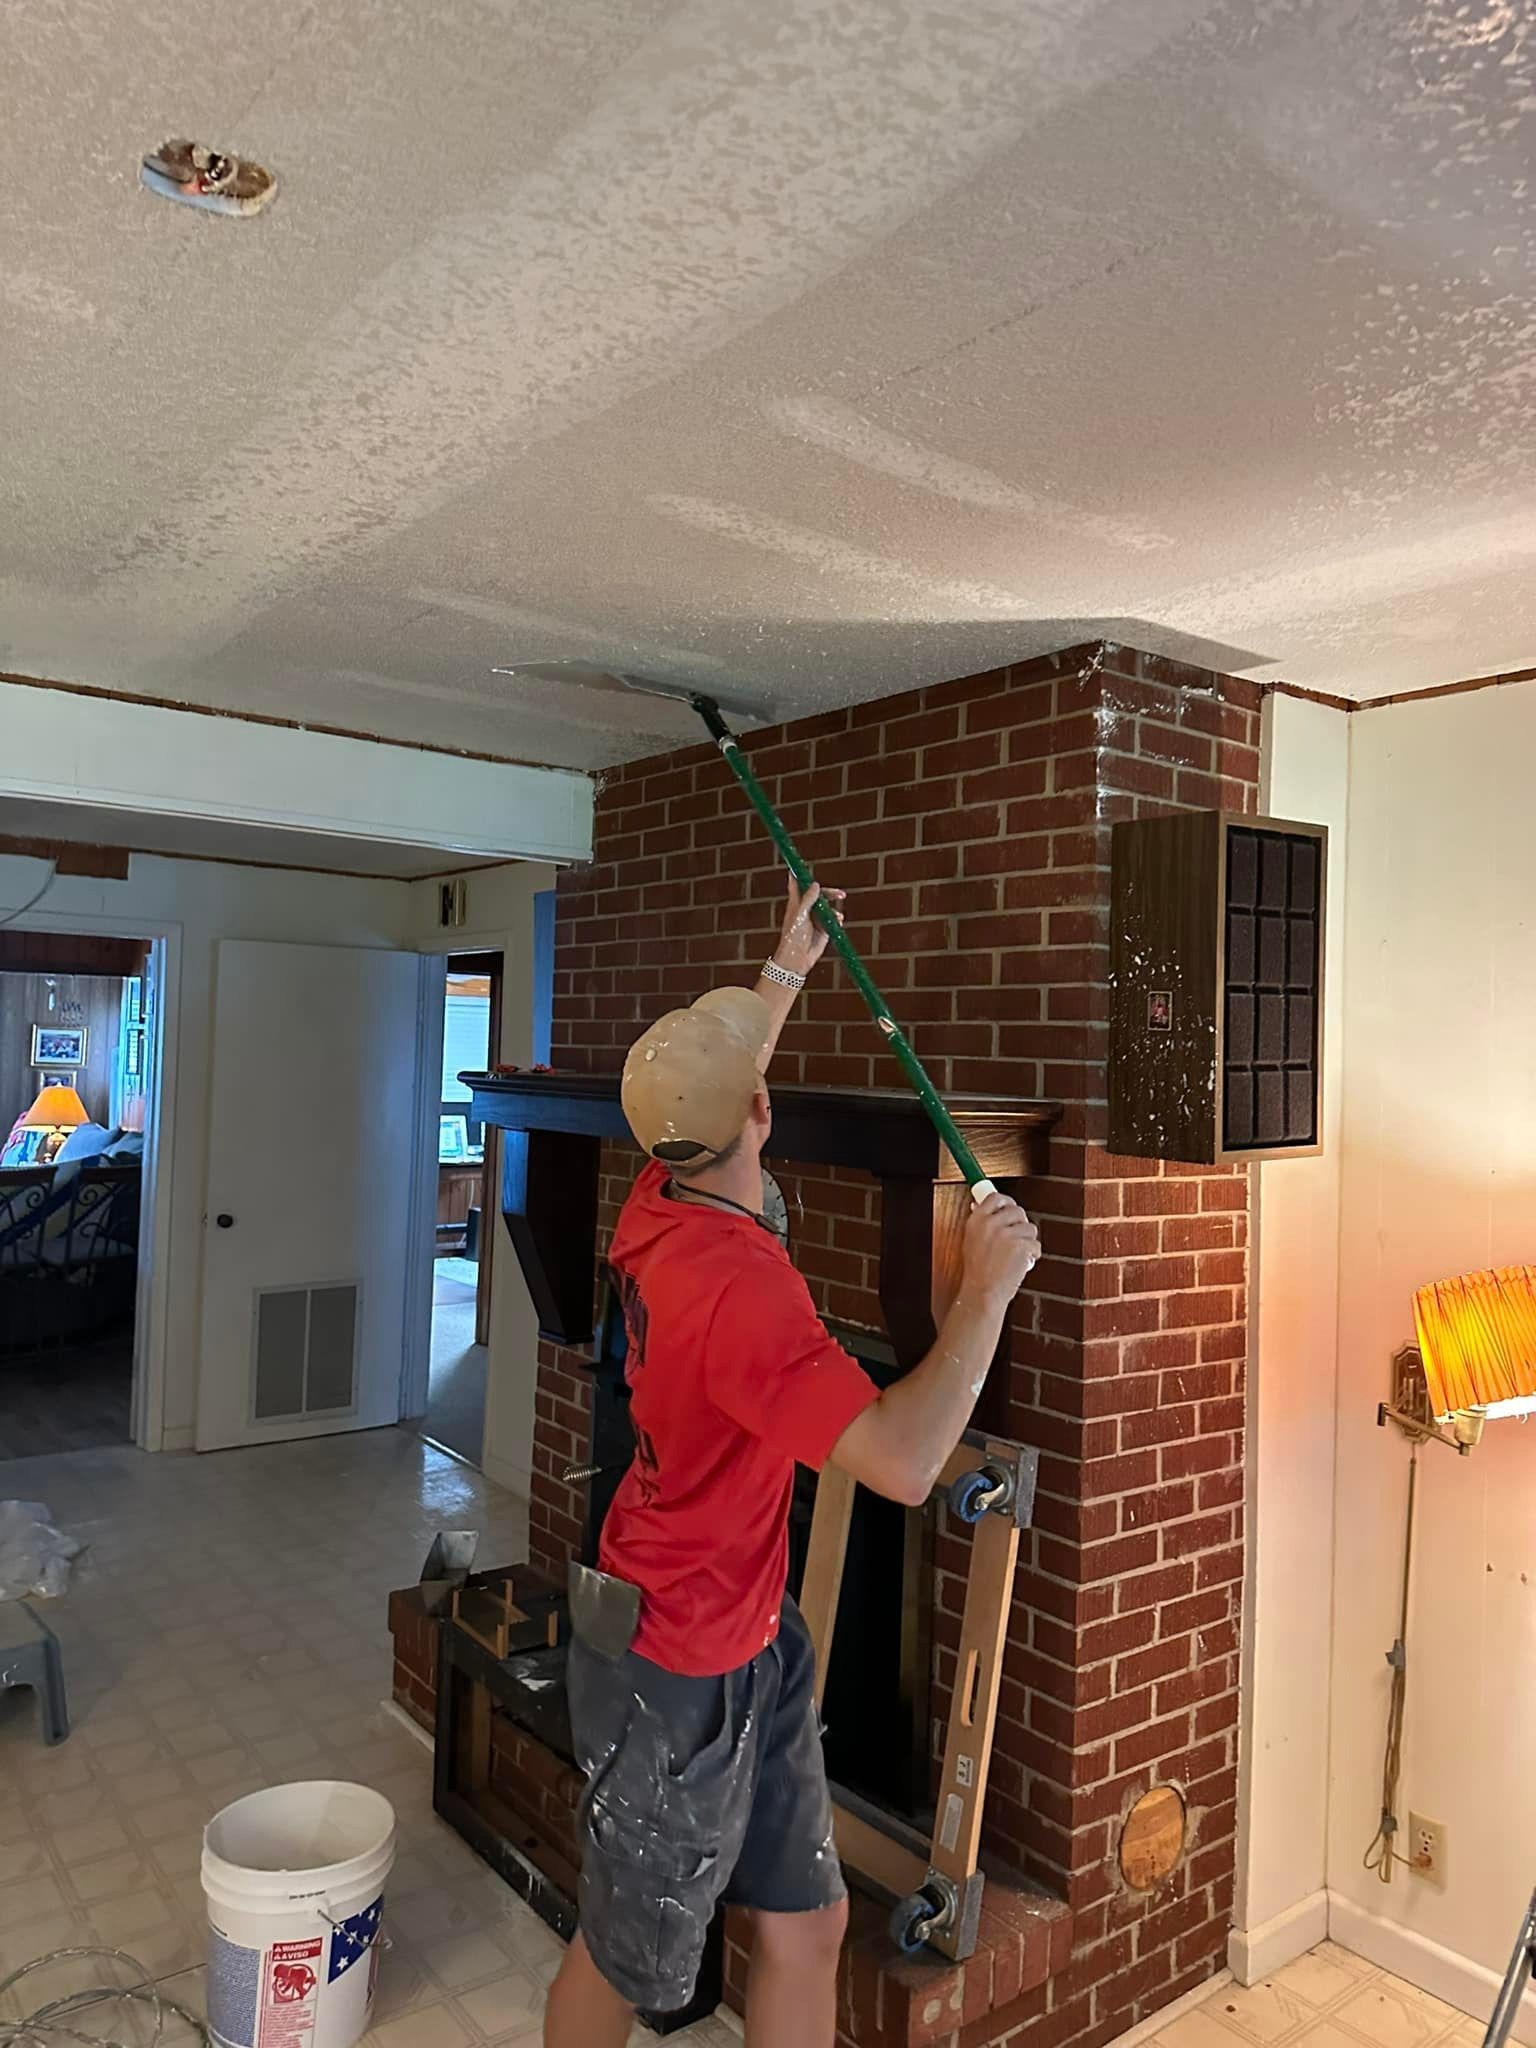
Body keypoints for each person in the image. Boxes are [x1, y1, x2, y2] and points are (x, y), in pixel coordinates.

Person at [544, 878, 1042, 2048]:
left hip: (744, 1636)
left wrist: (784, 967)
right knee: (621, 1956)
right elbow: (910, 1462)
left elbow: (721, 1088)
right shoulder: (745, 1294)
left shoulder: (660, 1195)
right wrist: (985, 1291)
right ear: (759, 1116)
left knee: (809, 1926)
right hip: (675, 1669)